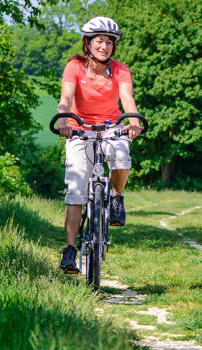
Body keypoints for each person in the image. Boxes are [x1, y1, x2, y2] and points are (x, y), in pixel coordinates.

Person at [55, 16, 143, 273]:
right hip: (79, 128)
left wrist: (133, 121)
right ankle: (69, 250)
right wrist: (62, 119)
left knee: (122, 156)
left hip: (111, 127)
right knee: (76, 190)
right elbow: (65, 97)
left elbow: (127, 99)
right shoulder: (74, 66)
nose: (104, 46)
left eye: (109, 42)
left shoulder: (119, 69)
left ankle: (116, 197)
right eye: (100, 41)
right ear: (88, 43)